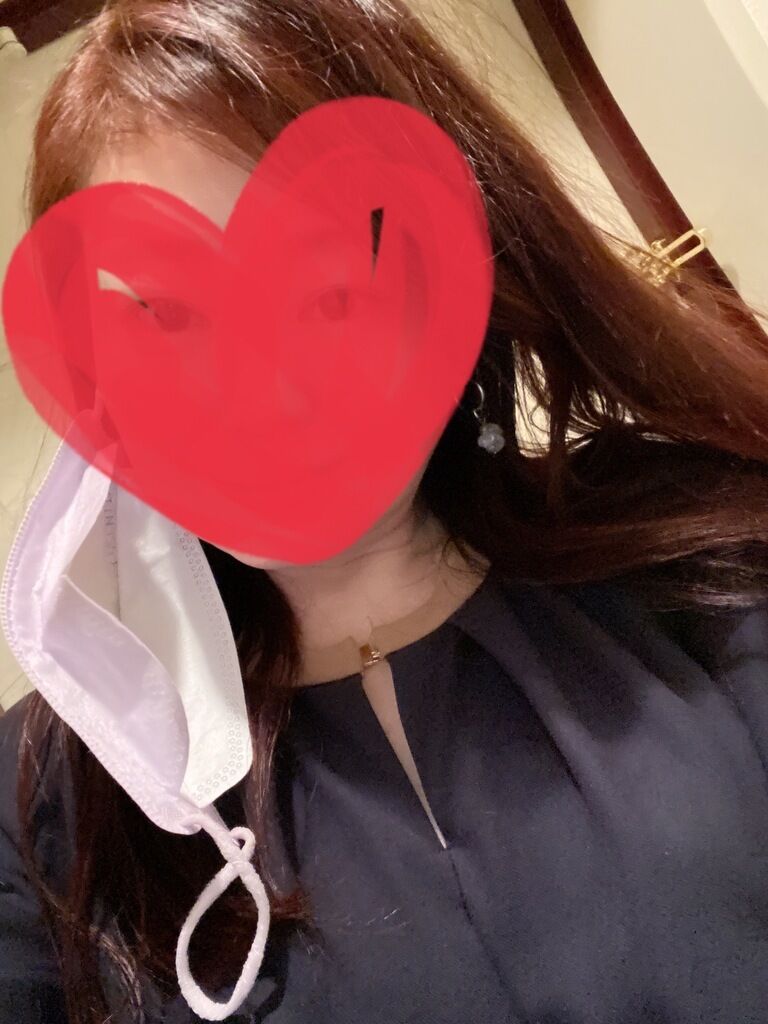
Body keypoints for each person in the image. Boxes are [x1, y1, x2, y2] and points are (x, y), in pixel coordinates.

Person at [2, 0, 768, 1021]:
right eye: (170, 321)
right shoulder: (47, 802)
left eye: (326, 293)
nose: (261, 390)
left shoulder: (708, 563)